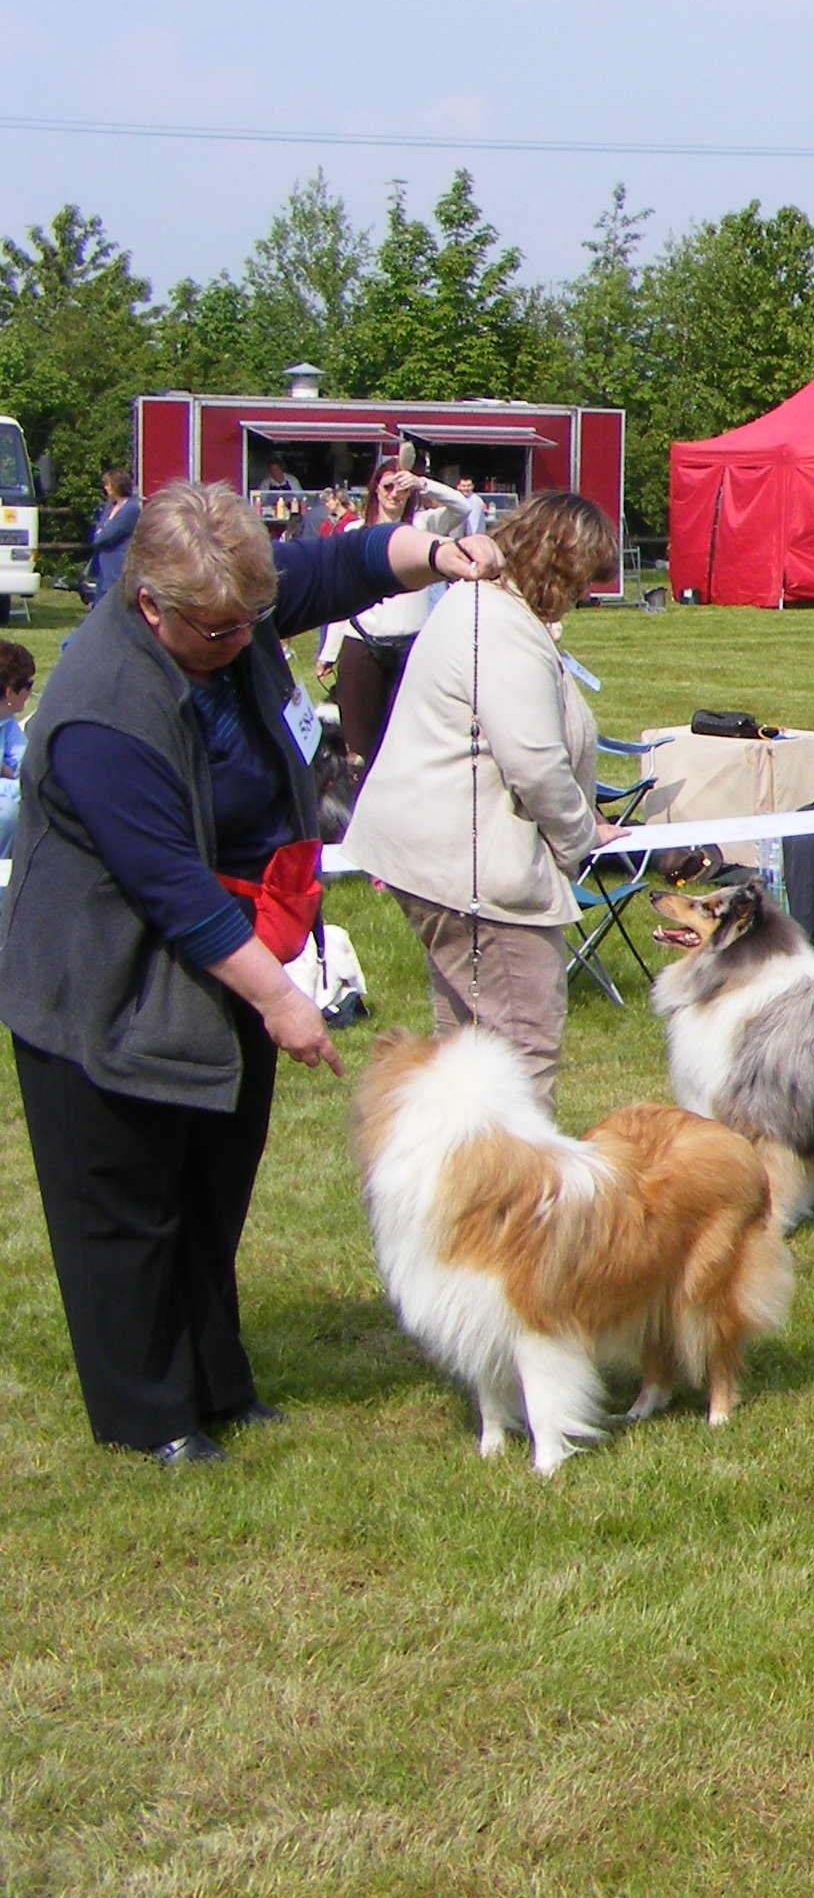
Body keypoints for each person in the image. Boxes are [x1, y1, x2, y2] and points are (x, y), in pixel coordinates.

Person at [1, 479, 501, 1465]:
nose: (243, 639)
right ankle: (151, 1418)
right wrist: (282, 1001)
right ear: (152, 605)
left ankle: (218, 1386)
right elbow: (169, 886)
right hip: (103, 979)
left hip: (224, 946)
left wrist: (436, 554)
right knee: (130, 1203)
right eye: (220, 630)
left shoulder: (231, 604)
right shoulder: (103, 708)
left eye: (250, 620)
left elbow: (345, 564)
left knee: (212, 1181)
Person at [347, 493, 622, 1103]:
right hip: (479, 879)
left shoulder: (481, 606)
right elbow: (535, 763)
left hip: (442, 865)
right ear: (556, 567)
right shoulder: (499, 625)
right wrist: (579, 838)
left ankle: (460, 1165)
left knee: (466, 1059)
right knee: (520, 1056)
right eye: (580, 582)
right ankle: (511, 1170)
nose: (581, 597)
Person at [319, 455, 472, 774]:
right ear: (375, 489)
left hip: (411, 647)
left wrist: (422, 483)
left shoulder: (424, 526)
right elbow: (339, 595)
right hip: (362, 642)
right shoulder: (355, 531)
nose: (394, 494)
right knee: (358, 747)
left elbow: (462, 507)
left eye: (401, 489)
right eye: (388, 486)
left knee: (411, 743)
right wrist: (329, 652)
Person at [83, 468, 140, 607]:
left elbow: (107, 535)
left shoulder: (131, 509)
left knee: (113, 604)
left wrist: (101, 532)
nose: (106, 488)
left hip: (117, 565)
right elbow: (98, 531)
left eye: (108, 484)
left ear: (117, 485)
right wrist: (100, 532)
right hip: (103, 566)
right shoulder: (110, 506)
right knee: (99, 605)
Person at [0, 639, 33, 860]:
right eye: (28, 685)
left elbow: (25, 766)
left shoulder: (7, 723)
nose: (31, 691)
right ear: (10, 691)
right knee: (7, 813)